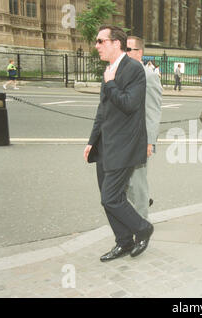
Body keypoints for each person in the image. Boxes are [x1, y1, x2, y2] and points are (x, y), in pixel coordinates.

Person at [83, 25, 154, 262]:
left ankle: (142, 228)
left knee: (110, 197)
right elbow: (102, 111)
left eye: (100, 41)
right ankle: (123, 242)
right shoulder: (109, 69)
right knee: (108, 198)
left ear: (116, 43)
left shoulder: (134, 69)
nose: (96, 45)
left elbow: (129, 104)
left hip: (124, 146)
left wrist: (111, 83)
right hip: (105, 145)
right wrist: (92, 142)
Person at [126, 35, 162, 220]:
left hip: (140, 138)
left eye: (128, 49)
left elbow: (153, 111)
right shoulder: (118, 72)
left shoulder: (149, 76)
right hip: (121, 139)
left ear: (139, 53)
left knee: (138, 184)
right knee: (118, 183)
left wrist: (150, 142)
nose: (124, 53)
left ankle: (142, 224)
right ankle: (143, 201)